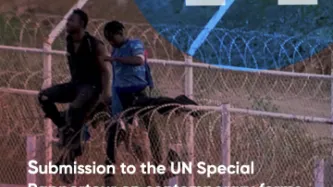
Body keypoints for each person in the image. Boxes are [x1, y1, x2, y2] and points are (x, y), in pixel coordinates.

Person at [38, 9, 111, 183]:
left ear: (82, 24)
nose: (67, 23)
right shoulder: (69, 42)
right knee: (44, 97)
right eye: (67, 20)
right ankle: (63, 124)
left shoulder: (95, 45)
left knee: (75, 108)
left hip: (92, 88)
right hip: (76, 85)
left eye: (72, 21)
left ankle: (70, 153)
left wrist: (105, 95)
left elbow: (106, 72)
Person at [102, 20, 154, 186]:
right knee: (114, 132)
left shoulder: (134, 45)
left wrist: (116, 58)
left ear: (121, 33)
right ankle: (109, 173)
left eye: (112, 37)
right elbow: (117, 76)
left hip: (137, 93)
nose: (110, 41)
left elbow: (139, 60)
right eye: (107, 38)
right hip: (120, 95)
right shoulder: (115, 49)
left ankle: (157, 166)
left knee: (148, 130)